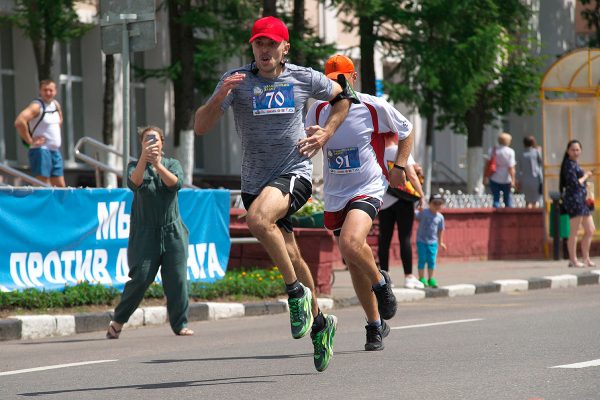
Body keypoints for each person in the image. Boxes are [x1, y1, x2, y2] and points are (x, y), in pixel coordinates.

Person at [193, 17, 354, 372]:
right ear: (253, 48)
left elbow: (344, 98)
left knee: (257, 219)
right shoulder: (236, 81)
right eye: (258, 44)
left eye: (271, 44)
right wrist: (219, 96)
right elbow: (200, 127)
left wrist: (326, 133)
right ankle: (322, 326)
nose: (264, 51)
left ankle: (295, 294)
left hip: (293, 174)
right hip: (255, 183)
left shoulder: (303, 76)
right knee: (293, 256)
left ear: (285, 48)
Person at [305, 54, 411, 351]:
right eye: (330, 80)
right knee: (353, 260)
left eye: (342, 79)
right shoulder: (317, 111)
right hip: (336, 193)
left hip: (368, 186)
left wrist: (400, 167)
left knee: (351, 242)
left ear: (352, 78)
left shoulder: (372, 106)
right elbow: (304, 145)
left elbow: (407, 130)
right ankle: (375, 325)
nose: (336, 84)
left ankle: (381, 284)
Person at [106, 126, 194, 339]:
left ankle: (180, 324)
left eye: (155, 140)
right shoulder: (135, 166)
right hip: (145, 234)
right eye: (147, 140)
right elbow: (134, 183)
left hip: (172, 232)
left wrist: (157, 165)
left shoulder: (172, 164)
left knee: (177, 279)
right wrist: (145, 161)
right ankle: (118, 321)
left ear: (162, 143)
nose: (152, 143)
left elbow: (176, 183)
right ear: (142, 144)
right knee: (140, 278)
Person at [378, 132, 426, 290]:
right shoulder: (399, 150)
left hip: (384, 200)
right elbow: (411, 174)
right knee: (404, 237)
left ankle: (385, 277)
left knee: (384, 238)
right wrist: (421, 195)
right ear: (394, 135)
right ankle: (408, 277)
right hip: (403, 200)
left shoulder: (376, 150)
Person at [14, 79, 66, 187]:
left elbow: (59, 121)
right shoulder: (37, 106)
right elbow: (20, 122)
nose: (48, 93)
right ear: (40, 91)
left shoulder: (56, 105)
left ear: (55, 91)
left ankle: (58, 204)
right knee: (42, 184)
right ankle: (40, 203)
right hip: (41, 150)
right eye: (45, 90)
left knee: (60, 186)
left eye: (50, 90)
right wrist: (30, 140)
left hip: (54, 150)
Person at [559, 139, 596, 268]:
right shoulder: (568, 165)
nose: (575, 152)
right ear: (567, 151)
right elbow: (574, 184)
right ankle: (573, 259)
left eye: (578, 150)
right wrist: (586, 176)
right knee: (574, 231)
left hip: (582, 200)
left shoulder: (575, 163)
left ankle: (586, 258)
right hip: (574, 200)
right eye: (573, 150)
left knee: (590, 229)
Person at [415, 194, 447, 288]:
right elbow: (415, 214)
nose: (437, 206)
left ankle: (431, 278)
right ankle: (421, 278)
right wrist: (418, 208)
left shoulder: (440, 217)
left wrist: (440, 242)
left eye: (439, 204)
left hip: (433, 242)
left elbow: (441, 230)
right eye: (435, 203)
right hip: (421, 241)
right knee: (422, 259)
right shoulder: (424, 213)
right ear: (429, 204)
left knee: (432, 261)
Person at [485, 132, 516, 208]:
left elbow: (487, 164)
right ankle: (508, 217)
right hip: (506, 179)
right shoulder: (510, 152)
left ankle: (495, 217)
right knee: (507, 199)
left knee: (496, 199)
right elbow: (511, 167)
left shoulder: (493, 150)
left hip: (494, 177)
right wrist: (513, 180)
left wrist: (485, 176)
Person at [517, 136, 543, 208]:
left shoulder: (521, 153)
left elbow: (519, 169)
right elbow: (541, 163)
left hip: (525, 179)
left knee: (527, 200)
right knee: (535, 200)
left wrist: (518, 181)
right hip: (536, 179)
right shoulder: (536, 152)